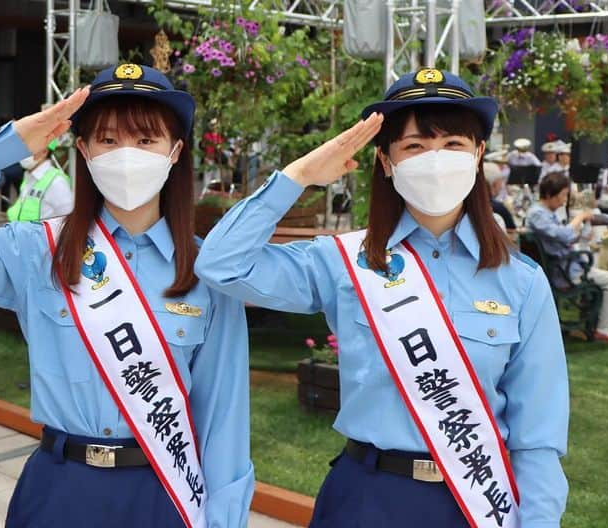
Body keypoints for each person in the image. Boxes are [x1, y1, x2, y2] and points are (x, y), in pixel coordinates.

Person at [195, 69, 568, 527]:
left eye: (453, 144)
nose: (435, 159)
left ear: (478, 155)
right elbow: (221, 264)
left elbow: (538, 437)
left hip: (475, 502)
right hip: (366, 498)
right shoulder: (344, 262)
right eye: (414, 146)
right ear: (387, 161)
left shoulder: (520, 280)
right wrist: (298, 177)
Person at [0, 64, 255, 528]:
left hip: (163, 492)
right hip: (59, 490)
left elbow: (224, 417)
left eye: (146, 141)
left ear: (175, 151)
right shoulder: (38, 251)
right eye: (108, 140)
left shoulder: (204, 271)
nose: (126, 156)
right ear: (83, 150)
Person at [527, 171, 608, 345]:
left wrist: (583, 229)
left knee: (602, 275)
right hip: (564, 272)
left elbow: (568, 237)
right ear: (550, 194)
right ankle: (602, 328)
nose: (565, 200)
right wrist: (579, 218)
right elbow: (564, 235)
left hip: (566, 266)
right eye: (563, 195)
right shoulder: (537, 214)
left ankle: (601, 326)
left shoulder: (545, 213)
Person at [6, 139, 73, 222]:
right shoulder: (29, 176)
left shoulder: (56, 182)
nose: (23, 154)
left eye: (29, 149)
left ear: (44, 152)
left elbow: (68, 219)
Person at [483, 162, 516, 230]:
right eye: (500, 182)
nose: (501, 187)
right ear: (494, 184)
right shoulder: (499, 208)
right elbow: (513, 232)